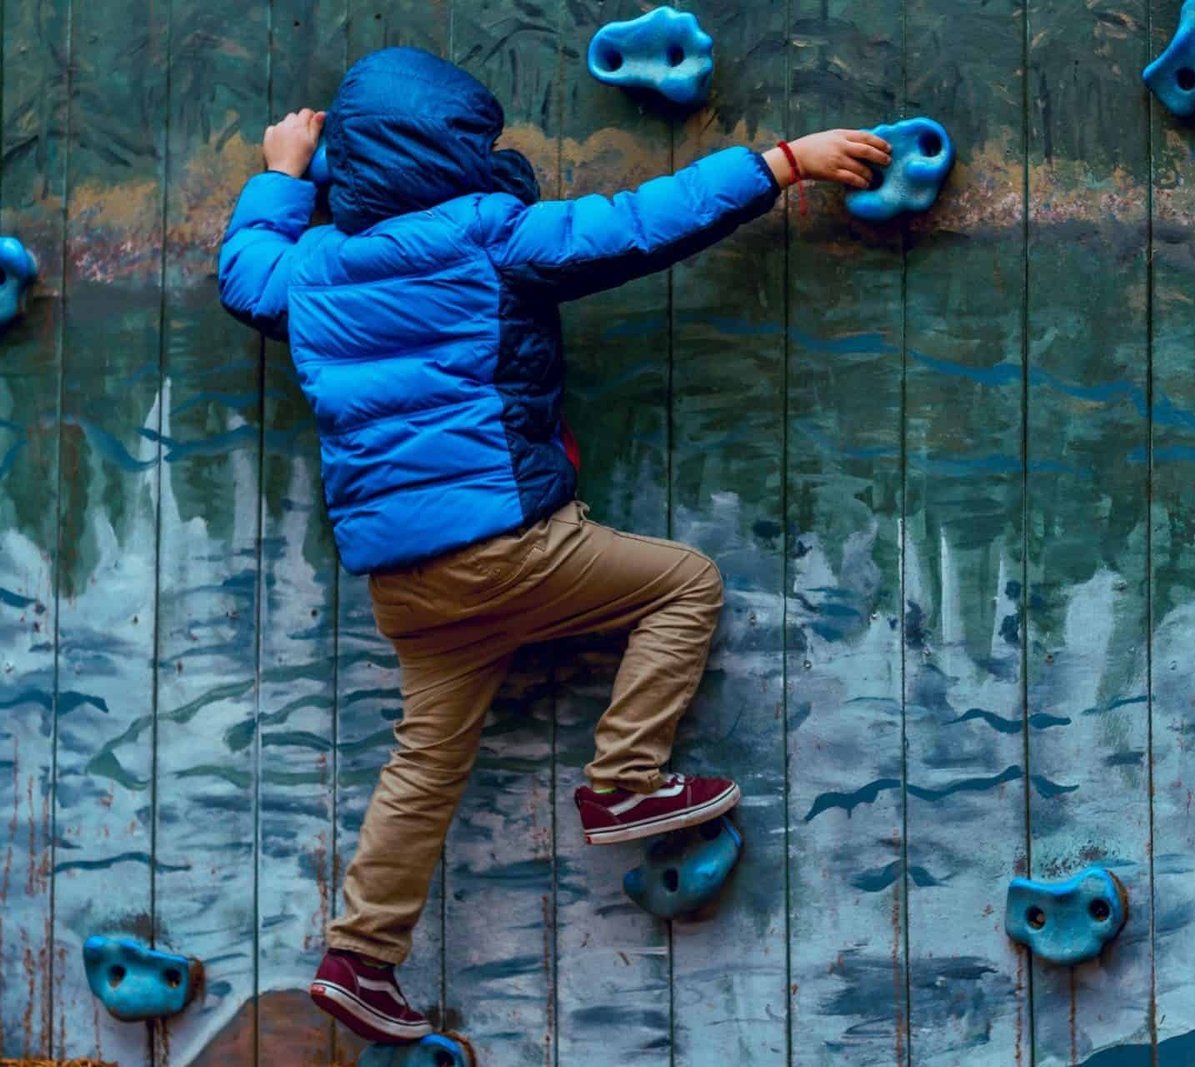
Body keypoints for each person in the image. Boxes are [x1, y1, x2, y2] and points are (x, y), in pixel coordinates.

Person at [217, 46, 890, 1045]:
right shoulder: (489, 236)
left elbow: (246, 277)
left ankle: (360, 956)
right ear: (457, 151)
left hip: (405, 583)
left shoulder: (308, 268)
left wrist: (278, 176)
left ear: (346, 164)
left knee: (424, 761)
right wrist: (782, 161)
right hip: (511, 545)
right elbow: (637, 224)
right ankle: (623, 781)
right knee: (682, 585)